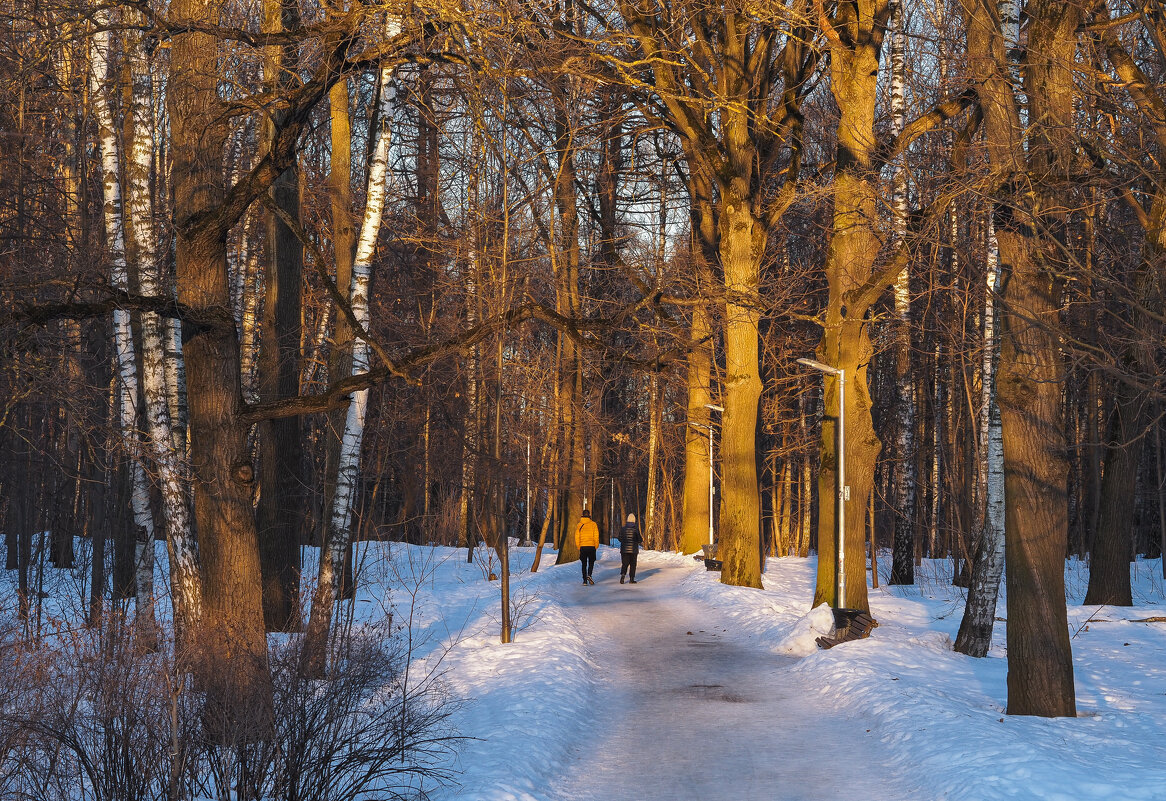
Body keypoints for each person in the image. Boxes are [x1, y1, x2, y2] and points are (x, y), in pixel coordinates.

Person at [575, 509, 599, 585]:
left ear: (582, 515)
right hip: (591, 546)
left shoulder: (579, 524)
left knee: (584, 564)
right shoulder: (593, 524)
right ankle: (589, 575)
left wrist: (578, 546)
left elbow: (576, 536)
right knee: (591, 562)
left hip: (583, 546)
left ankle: (584, 581)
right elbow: (596, 536)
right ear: (589, 516)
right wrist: (596, 545)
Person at [619, 513, 643, 584]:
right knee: (633, 564)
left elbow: (619, 538)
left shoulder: (623, 529)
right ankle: (631, 579)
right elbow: (640, 540)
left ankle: (623, 575)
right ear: (634, 520)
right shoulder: (636, 529)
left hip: (624, 550)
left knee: (625, 564)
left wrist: (624, 542)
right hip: (633, 550)